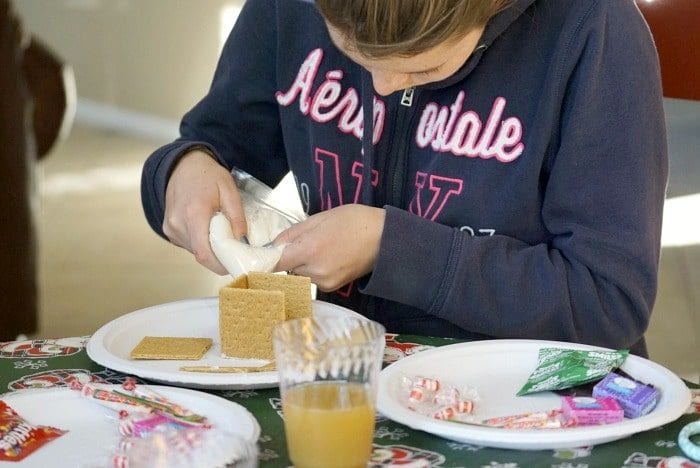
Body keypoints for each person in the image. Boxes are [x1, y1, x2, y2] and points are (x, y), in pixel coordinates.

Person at [141, 0, 668, 356]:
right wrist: (183, 168)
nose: (384, 87)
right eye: (349, 52)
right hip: (340, 367)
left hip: (523, 389)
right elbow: (218, 145)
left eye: (425, 69)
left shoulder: (593, 30)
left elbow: (607, 302)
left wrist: (391, 249)